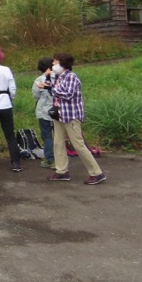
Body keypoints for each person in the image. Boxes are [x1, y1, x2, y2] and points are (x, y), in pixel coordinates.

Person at [48, 53, 106, 185]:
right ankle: (61, 171)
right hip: (59, 115)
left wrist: (51, 90)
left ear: (62, 63)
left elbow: (68, 94)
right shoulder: (58, 77)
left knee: (78, 145)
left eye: (55, 62)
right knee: (58, 143)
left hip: (71, 116)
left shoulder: (71, 77)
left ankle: (97, 173)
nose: (53, 64)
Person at [32, 57, 57, 169]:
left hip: (44, 111)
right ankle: (60, 158)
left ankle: (50, 159)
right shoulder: (60, 77)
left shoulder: (39, 80)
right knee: (58, 136)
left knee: (47, 136)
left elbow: (36, 95)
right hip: (59, 111)